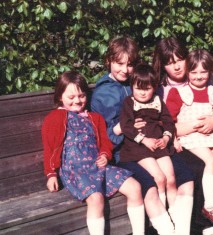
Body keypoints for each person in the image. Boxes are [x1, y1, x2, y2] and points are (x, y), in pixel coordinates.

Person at [91, 35, 194, 235]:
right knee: (151, 184)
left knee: (186, 176)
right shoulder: (104, 93)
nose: (124, 70)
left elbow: (160, 112)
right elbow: (104, 135)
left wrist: (166, 135)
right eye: (119, 64)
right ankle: (167, 230)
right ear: (108, 61)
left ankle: (183, 230)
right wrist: (123, 127)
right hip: (124, 153)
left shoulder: (136, 81)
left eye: (129, 64)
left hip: (154, 145)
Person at [41, 71, 145, 235]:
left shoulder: (95, 118)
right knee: (96, 198)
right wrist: (51, 174)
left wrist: (104, 155)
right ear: (60, 96)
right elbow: (49, 148)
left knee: (135, 187)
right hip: (75, 170)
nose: (77, 101)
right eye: (71, 97)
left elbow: (105, 142)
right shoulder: (54, 118)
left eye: (81, 96)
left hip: (99, 166)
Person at [153, 37, 213, 235]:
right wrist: (191, 127)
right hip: (179, 141)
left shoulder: (199, 77)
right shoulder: (162, 89)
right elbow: (162, 125)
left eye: (180, 60)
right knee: (197, 167)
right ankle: (202, 224)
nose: (177, 67)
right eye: (170, 63)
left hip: (207, 136)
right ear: (163, 65)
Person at [119, 63, 177, 210]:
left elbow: (169, 123)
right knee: (159, 178)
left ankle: (176, 215)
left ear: (155, 87)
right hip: (139, 147)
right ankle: (163, 213)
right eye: (138, 88)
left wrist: (166, 138)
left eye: (147, 89)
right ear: (132, 86)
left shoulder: (158, 101)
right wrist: (144, 140)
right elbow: (126, 126)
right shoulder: (129, 102)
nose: (142, 93)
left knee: (170, 179)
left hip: (159, 144)